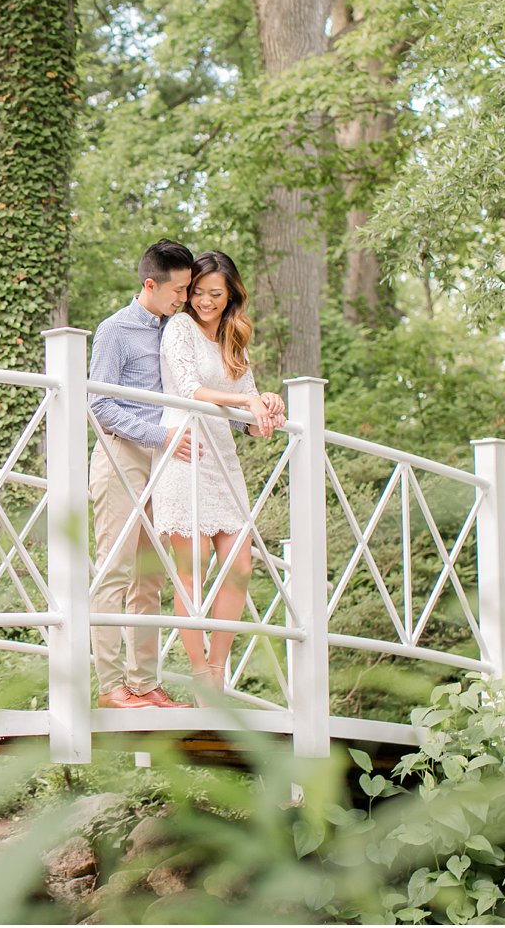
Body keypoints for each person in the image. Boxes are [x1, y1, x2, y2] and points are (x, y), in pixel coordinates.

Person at [151, 251, 285, 698]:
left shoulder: (234, 339)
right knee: (193, 570)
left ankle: (216, 668)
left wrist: (265, 403)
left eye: (216, 294)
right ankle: (199, 671)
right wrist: (245, 403)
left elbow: (247, 419)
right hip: (186, 451)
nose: (205, 302)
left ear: (231, 297)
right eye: (199, 293)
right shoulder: (180, 328)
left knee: (240, 568)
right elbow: (189, 389)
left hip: (223, 461)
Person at [87, 238, 199, 709]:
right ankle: (110, 688)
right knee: (113, 571)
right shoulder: (114, 330)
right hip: (122, 457)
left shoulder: (175, 330)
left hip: (164, 463)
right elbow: (98, 404)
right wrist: (161, 437)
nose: (184, 299)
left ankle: (143, 683)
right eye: (177, 291)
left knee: (150, 579)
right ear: (149, 284)